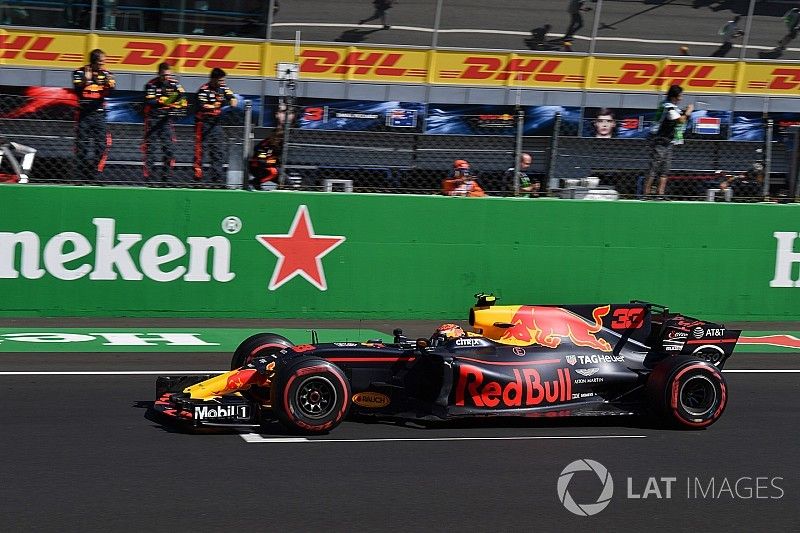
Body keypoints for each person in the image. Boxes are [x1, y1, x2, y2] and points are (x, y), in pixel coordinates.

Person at [72, 49, 115, 182]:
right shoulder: (79, 72)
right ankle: (79, 177)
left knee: (102, 146)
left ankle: (94, 174)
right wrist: (86, 80)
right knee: (82, 147)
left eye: (104, 62)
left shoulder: (107, 74)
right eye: (101, 62)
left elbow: (112, 89)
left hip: (99, 115)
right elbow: (77, 90)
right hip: (84, 115)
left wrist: (108, 83)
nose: (103, 65)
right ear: (93, 62)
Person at [644, 85, 693, 198]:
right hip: (660, 141)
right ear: (674, 97)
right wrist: (688, 112)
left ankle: (660, 194)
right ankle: (646, 193)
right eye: (680, 96)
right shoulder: (668, 107)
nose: (681, 98)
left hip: (669, 141)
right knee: (654, 167)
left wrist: (684, 112)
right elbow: (680, 120)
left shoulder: (674, 107)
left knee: (665, 169)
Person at [142, 62, 187, 182]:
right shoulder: (151, 85)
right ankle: (148, 179)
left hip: (166, 120)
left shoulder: (175, 84)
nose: (166, 77)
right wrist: (169, 101)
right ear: (158, 74)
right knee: (150, 150)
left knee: (170, 149)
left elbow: (183, 98)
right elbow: (150, 102)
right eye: (163, 75)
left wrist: (170, 102)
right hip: (152, 120)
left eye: (168, 75)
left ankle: (166, 177)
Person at [194, 68, 237, 185]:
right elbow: (202, 106)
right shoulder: (203, 90)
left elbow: (232, 97)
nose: (223, 82)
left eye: (223, 80)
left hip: (216, 124)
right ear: (213, 79)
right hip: (203, 124)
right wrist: (215, 106)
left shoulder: (223, 88)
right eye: (220, 80)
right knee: (200, 151)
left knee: (218, 151)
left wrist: (233, 100)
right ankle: (198, 179)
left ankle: (216, 179)